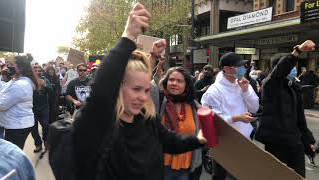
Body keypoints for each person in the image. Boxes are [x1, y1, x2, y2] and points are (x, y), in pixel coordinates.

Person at [72, 3, 206, 180]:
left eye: (145, 90)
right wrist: (128, 36)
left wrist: (197, 140)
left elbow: (170, 141)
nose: (143, 97)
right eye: (136, 89)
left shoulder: (147, 119)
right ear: (117, 87)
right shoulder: (100, 123)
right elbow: (100, 92)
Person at [255, 40, 316, 178]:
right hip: (277, 143)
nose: (294, 69)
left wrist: (307, 140)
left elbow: (300, 119)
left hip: (295, 142)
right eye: (292, 66)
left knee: (298, 176)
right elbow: (279, 73)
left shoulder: (293, 87)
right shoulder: (270, 85)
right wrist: (297, 52)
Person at [201, 52, 259, 180]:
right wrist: (237, 118)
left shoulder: (243, 84)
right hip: (223, 142)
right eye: (238, 66)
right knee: (221, 176)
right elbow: (214, 120)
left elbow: (254, 107)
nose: (242, 69)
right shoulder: (214, 90)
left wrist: (245, 91)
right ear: (226, 69)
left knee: (241, 175)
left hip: (244, 140)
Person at [160, 66, 203, 180]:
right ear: (166, 82)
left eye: (179, 81)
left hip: (186, 167)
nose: (174, 83)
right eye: (171, 79)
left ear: (186, 85)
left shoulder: (194, 107)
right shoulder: (159, 102)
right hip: (161, 166)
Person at [0, 55, 39, 149]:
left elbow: (2, 105)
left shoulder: (21, 85)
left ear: (20, 68)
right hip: (16, 124)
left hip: (17, 127)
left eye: (12, 64)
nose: (8, 67)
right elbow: (3, 88)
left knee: (11, 156)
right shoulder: (17, 81)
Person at [31, 65, 52, 153]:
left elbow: (51, 91)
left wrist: (45, 85)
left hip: (44, 108)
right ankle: (38, 144)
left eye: (39, 70)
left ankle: (46, 142)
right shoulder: (29, 80)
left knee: (45, 125)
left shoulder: (44, 79)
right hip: (32, 109)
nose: (37, 72)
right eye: (35, 70)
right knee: (33, 128)